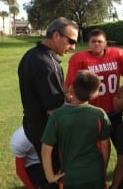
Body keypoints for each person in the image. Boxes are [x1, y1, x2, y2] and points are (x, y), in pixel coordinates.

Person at [18, 17, 78, 185]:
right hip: (46, 130)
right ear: (56, 36)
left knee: (46, 171)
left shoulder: (30, 55)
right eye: (71, 41)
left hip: (33, 125)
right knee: (56, 175)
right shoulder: (47, 63)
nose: (73, 47)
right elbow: (54, 111)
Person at [41, 70, 111, 189]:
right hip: (95, 173)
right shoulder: (100, 114)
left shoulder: (57, 116)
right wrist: (102, 169)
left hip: (70, 177)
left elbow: (46, 149)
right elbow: (106, 146)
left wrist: (50, 176)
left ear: (71, 89)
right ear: (96, 94)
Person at [65, 29, 123, 144]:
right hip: (91, 111)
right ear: (88, 43)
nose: (96, 44)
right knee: (94, 146)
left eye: (100, 41)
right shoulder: (79, 59)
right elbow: (70, 86)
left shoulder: (118, 54)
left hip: (114, 109)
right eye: (93, 41)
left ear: (105, 43)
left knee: (121, 144)